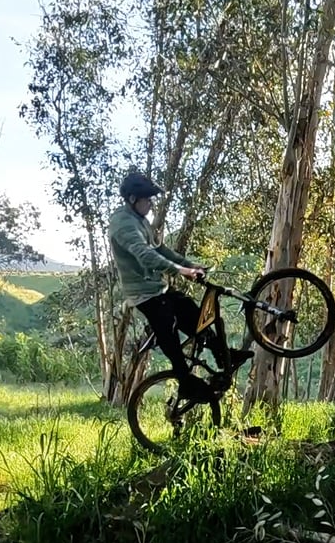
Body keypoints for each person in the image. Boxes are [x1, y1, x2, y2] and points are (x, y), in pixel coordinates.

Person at [108, 171, 252, 400]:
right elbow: (144, 254)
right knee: (169, 333)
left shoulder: (140, 221)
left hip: (158, 289)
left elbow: (159, 249)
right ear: (134, 199)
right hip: (144, 295)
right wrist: (180, 270)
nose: (151, 203)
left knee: (195, 316)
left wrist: (189, 265)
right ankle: (186, 383)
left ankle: (225, 356)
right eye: (147, 199)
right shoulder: (123, 224)